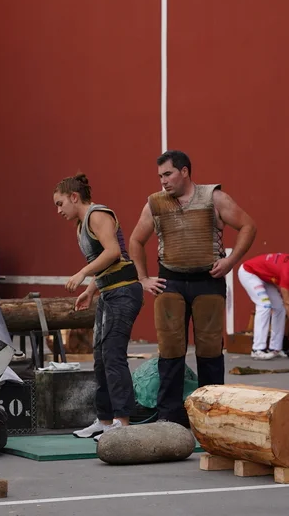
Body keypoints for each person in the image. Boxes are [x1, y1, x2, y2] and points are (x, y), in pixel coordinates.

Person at [128, 150, 257, 427]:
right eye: (160, 176)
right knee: (170, 350)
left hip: (208, 282)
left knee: (210, 351)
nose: (163, 181)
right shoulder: (155, 203)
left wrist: (230, 261)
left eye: (168, 174)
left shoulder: (214, 198)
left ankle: (212, 417)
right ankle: (169, 417)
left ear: (184, 171)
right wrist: (143, 278)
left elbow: (248, 226)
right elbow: (135, 240)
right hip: (170, 282)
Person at [52, 173, 144, 441]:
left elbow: (113, 252)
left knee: (113, 356)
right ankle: (104, 421)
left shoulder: (97, 215)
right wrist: (91, 290)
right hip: (107, 293)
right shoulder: (81, 224)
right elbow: (105, 262)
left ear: (74, 197)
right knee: (101, 359)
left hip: (124, 292)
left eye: (60, 203)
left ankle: (122, 422)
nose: (58, 210)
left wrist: (82, 273)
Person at [237, 253, 289, 360]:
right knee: (264, 305)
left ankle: (275, 349)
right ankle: (257, 350)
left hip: (263, 277)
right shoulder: (288, 271)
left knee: (280, 307)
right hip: (249, 272)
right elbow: (288, 303)